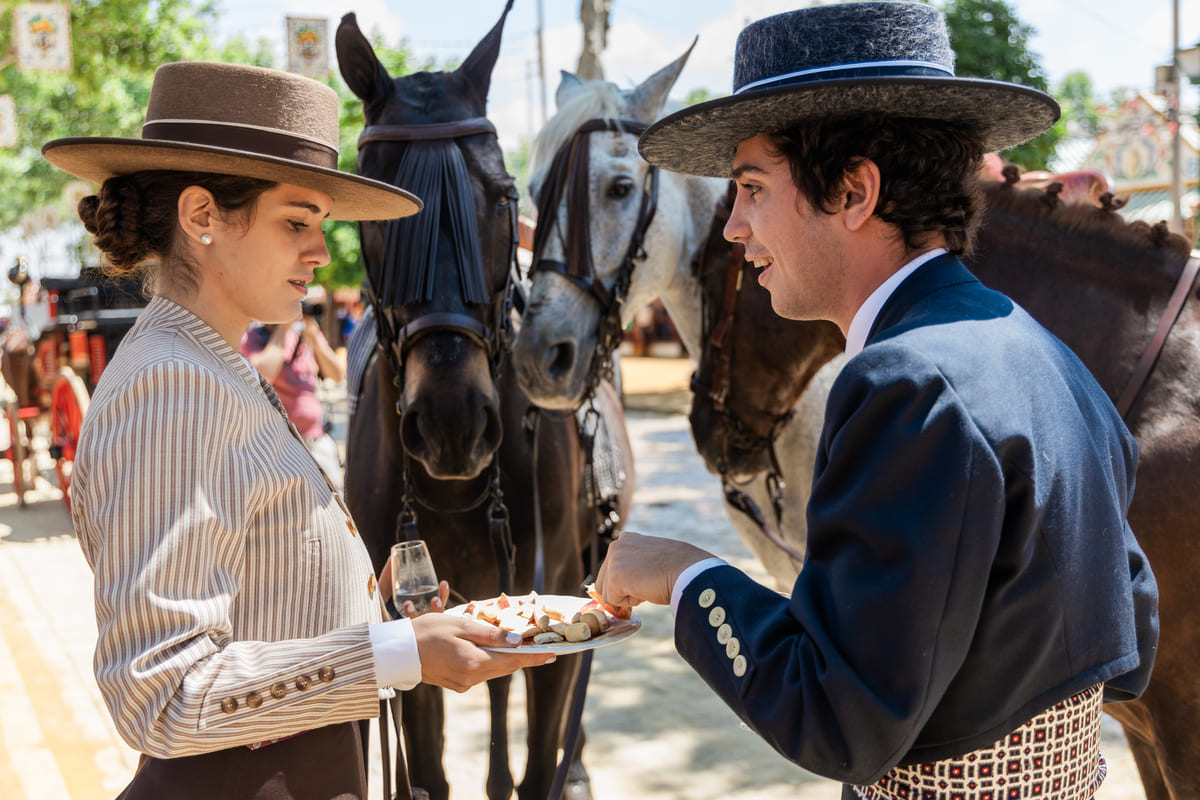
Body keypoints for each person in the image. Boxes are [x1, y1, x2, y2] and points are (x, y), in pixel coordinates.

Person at [596, 3, 1158, 798]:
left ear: (855, 190)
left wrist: (687, 577)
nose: (734, 227)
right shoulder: (1043, 351)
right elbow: (1128, 637)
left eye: (752, 188)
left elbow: (836, 720)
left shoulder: (905, 383)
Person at [42, 61, 554, 800]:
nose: (320, 251)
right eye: (296, 222)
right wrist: (395, 654)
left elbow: (253, 591)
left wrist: (377, 609)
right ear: (202, 217)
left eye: (320, 225)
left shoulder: (210, 364)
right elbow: (162, 693)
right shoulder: (172, 386)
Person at [241, 285, 346, 491]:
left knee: (336, 504)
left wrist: (315, 338)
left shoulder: (306, 338)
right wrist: (283, 329)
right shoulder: (256, 337)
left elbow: (337, 374)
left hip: (317, 441)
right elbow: (264, 374)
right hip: (279, 447)